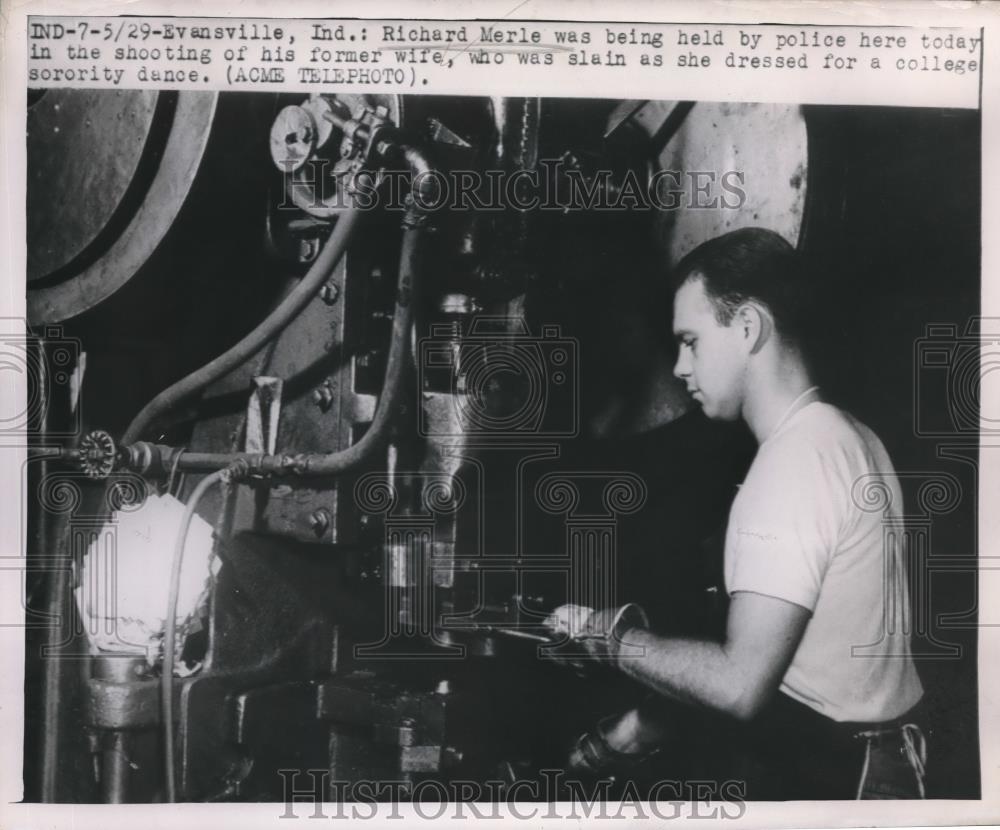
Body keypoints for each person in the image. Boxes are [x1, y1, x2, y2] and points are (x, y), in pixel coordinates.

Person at [544, 227, 926, 800]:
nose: (678, 366)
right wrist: (639, 726)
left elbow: (739, 685)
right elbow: (793, 662)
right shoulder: (846, 435)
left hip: (833, 776)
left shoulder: (793, 462)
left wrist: (611, 638)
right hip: (873, 760)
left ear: (748, 327)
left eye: (691, 341)